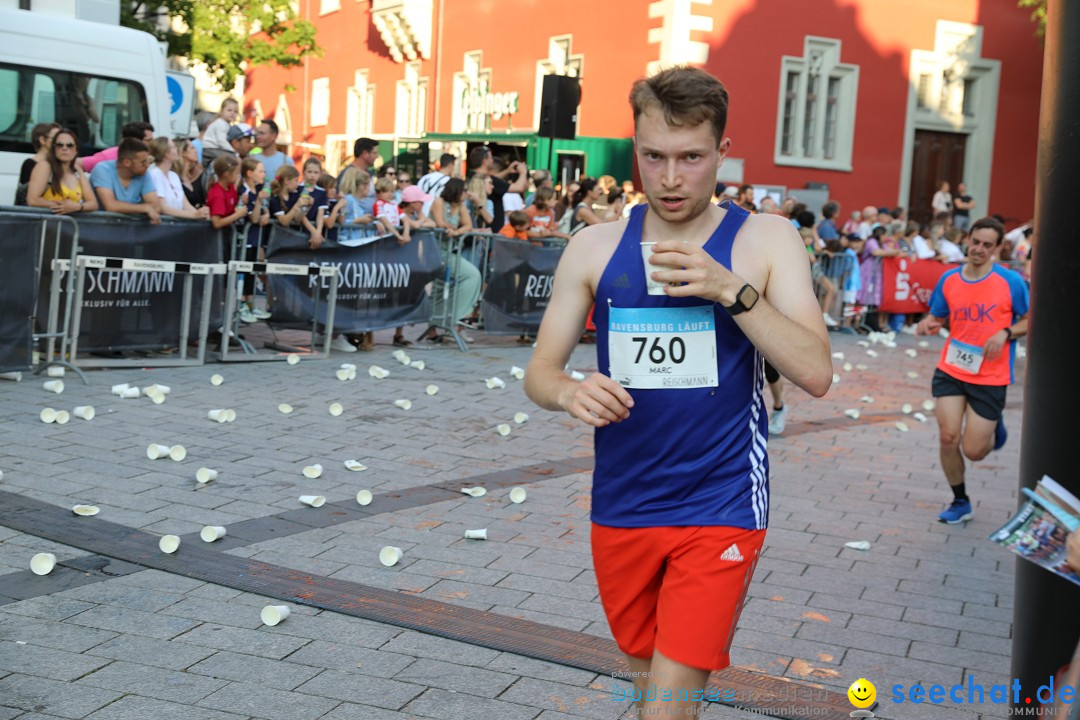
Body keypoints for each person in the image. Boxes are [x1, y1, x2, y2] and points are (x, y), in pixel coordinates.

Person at [524, 65, 831, 720]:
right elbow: (540, 372)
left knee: (664, 707)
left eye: (690, 157)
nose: (668, 178)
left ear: (722, 152)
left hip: (720, 503)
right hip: (623, 503)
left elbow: (816, 372)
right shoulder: (594, 248)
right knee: (653, 698)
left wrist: (730, 291)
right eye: (653, 157)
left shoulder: (763, 239)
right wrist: (570, 393)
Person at [916, 217, 1029, 524]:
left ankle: (994, 429)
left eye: (987, 245)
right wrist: (929, 323)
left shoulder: (1011, 282)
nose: (979, 249)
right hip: (952, 368)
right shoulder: (950, 279)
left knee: (974, 451)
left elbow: (1030, 319)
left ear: (998, 248)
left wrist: (1006, 332)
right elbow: (938, 315)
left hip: (991, 376)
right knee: (948, 437)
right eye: (975, 242)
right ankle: (960, 500)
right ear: (968, 238)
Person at [426, 177, 482, 343]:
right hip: (436, 251)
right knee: (470, 276)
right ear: (456, 190)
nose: (467, 193)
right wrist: (456, 229)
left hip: (449, 250)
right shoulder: (439, 202)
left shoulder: (461, 206)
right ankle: (445, 321)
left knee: (444, 285)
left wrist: (456, 232)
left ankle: (446, 321)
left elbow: (468, 225)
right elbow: (440, 223)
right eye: (464, 190)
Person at [25, 128, 98, 215]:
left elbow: (93, 203)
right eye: (60, 145)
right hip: (45, 224)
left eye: (70, 145)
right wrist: (63, 206)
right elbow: (32, 200)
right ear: (54, 149)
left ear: (76, 150)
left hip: (71, 226)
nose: (64, 148)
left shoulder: (77, 170)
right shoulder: (44, 166)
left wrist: (77, 207)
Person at [89, 138, 160, 223]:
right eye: (143, 162)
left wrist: (147, 208)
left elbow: (156, 206)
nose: (147, 165)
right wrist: (145, 208)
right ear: (127, 162)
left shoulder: (143, 173)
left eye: (148, 161)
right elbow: (110, 205)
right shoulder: (102, 170)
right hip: (100, 229)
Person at [235, 157, 272, 324]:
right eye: (260, 171)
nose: (264, 174)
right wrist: (258, 204)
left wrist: (267, 214)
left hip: (255, 239)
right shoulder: (244, 191)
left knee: (252, 271)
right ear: (249, 173)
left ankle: (250, 303)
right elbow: (254, 217)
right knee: (243, 271)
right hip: (244, 239)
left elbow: (263, 211)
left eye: (264, 170)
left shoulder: (259, 189)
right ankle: (241, 303)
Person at [466, 146, 528, 232]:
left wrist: (507, 171)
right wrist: (523, 172)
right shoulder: (488, 181)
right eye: (490, 158)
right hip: (489, 231)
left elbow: (492, 179)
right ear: (485, 161)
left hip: (478, 230)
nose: (492, 160)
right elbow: (519, 187)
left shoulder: (472, 176)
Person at [147, 137, 208, 220]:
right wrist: (193, 215)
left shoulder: (174, 176)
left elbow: (185, 204)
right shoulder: (155, 174)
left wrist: (201, 215)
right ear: (167, 154)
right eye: (174, 147)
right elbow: (161, 207)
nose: (177, 150)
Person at [80, 121, 154, 173]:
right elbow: (76, 163)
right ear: (135, 141)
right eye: (148, 141)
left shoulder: (150, 156)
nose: (152, 143)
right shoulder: (108, 157)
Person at [16, 122, 60, 204]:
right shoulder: (29, 164)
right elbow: (26, 195)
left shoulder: (59, 164)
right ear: (43, 140)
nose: (60, 143)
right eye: (56, 138)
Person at [201, 98, 240, 162]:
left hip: (214, 149)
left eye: (235, 111)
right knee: (232, 158)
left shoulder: (225, 124)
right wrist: (233, 151)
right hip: (210, 149)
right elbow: (221, 141)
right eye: (229, 110)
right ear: (222, 111)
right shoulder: (220, 123)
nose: (232, 113)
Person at [176, 138, 207, 209]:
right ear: (183, 153)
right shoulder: (176, 177)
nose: (196, 151)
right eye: (192, 148)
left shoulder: (188, 176)